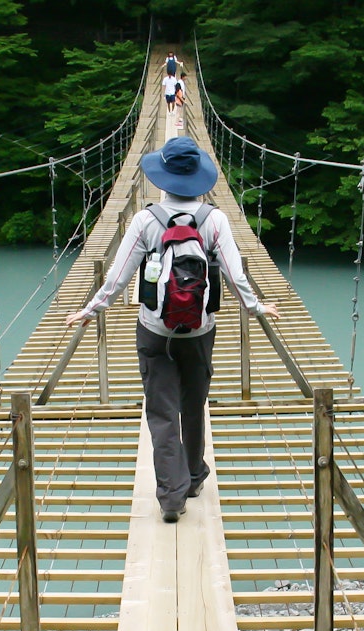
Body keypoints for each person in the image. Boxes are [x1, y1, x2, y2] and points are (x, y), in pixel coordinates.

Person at [64, 138, 281, 523]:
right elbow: (234, 274)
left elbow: (117, 278)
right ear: (198, 180)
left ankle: (171, 497)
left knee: (162, 412)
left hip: (154, 329)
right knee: (193, 403)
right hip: (200, 330)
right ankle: (195, 476)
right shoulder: (215, 219)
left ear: (161, 180)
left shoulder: (145, 220)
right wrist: (257, 306)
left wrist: (89, 310)